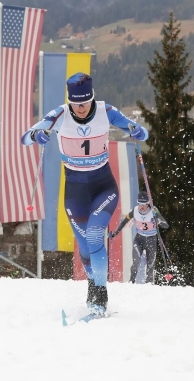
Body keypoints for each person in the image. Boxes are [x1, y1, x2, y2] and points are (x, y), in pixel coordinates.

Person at [21, 72, 148, 315]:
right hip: (75, 190)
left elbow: (139, 130)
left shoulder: (106, 111)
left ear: (92, 98)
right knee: (85, 249)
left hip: (103, 187)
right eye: (76, 104)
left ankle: (100, 295)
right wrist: (37, 135)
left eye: (85, 102)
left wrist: (138, 131)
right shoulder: (59, 114)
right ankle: (93, 283)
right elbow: (25, 138)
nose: (81, 108)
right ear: (70, 101)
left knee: (94, 235)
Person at [109, 191, 169, 284]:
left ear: (148, 202)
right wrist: (115, 233)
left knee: (150, 265)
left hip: (151, 240)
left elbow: (166, 225)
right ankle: (131, 282)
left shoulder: (154, 210)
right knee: (136, 262)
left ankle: (149, 284)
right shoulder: (135, 210)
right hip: (139, 239)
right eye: (140, 204)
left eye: (144, 204)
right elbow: (124, 222)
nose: (142, 206)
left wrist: (158, 221)